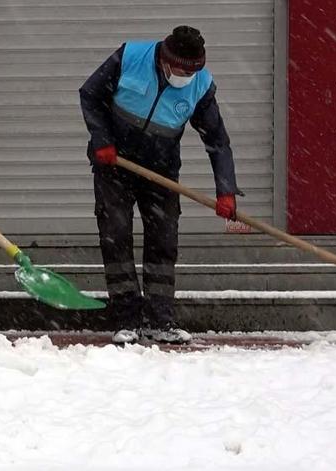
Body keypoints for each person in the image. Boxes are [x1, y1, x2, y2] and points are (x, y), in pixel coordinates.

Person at [79, 25, 241, 344]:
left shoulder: (200, 85)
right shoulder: (130, 57)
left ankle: (159, 320)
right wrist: (102, 139)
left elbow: (217, 141)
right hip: (115, 163)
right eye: (182, 71)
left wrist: (226, 190)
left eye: (193, 72)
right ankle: (126, 319)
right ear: (166, 60)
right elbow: (90, 94)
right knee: (116, 235)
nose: (187, 77)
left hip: (161, 170)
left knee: (163, 241)